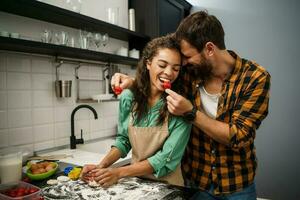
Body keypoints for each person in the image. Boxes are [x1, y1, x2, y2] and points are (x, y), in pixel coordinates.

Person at [110, 10, 271, 200]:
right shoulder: (190, 73)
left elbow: (239, 135)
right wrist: (133, 82)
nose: (183, 63)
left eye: (186, 57)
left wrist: (191, 112)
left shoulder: (255, 78)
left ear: (209, 49)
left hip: (236, 185)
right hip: (195, 183)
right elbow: (161, 75)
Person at [80, 35, 192, 187]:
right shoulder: (129, 97)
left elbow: (166, 158)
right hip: (135, 183)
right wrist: (100, 168)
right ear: (148, 63)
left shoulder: (180, 107)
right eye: (162, 65)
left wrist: (118, 172)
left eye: (175, 68)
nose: (169, 73)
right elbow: (124, 140)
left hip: (169, 186)